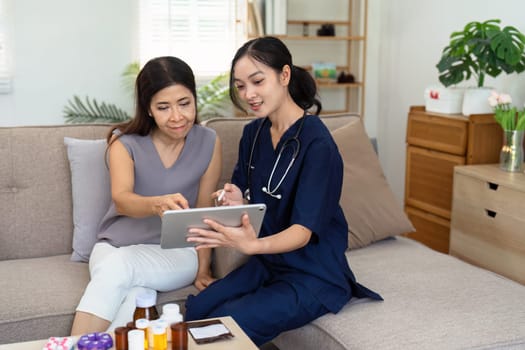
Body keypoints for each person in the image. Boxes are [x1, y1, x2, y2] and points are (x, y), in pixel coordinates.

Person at [184, 36, 383, 346]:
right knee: (197, 309)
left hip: (313, 274)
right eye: (240, 86)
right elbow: (247, 195)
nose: (248, 94)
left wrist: (251, 246)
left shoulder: (318, 145)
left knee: (228, 324)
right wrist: (236, 199)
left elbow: (303, 232)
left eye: (257, 81)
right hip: (270, 263)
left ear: (285, 75)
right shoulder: (253, 133)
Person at [70, 56, 222, 335]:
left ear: (195, 100)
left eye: (185, 103)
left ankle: (74, 345)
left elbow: (203, 211)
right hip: (114, 247)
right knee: (134, 294)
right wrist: (156, 204)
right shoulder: (124, 143)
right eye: (163, 107)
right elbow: (123, 200)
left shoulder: (209, 142)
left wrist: (202, 269)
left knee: (121, 268)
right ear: (149, 109)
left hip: (176, 254)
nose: (177, 117)